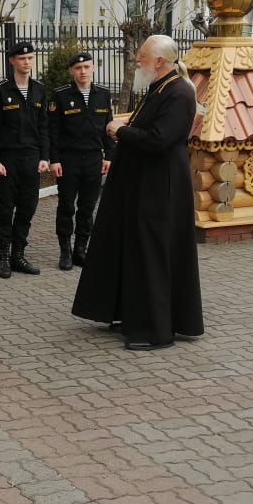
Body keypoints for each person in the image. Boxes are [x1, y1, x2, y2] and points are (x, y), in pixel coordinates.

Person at [71, 34, 204, 351]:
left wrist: (121, 130)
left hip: (160, 188)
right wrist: (126, 125)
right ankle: (126, 313)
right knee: (131, 250)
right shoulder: (160, 87)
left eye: (142, 55)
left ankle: (154, 330)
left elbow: (159, 139)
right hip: (141, 184)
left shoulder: (180, 92)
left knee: (150, 255)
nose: (137, 60)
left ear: (159, 61)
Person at [0, 40, 50, 278]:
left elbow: (43, 126)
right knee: (6, 209)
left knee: (27, 208)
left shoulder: (39, 89)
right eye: (22, 59)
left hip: (31, 159)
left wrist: (45, 156)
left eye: (30, 58)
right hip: (8, 160)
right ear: (12, 61)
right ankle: (4, 257)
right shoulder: (0, 91)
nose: (26, 62)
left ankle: (18, 255)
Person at [49, 51, 114, 271]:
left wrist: (109, 156)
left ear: (93, 68)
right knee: (66, 206)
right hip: (69, 160)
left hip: (94, 159)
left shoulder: (103, 95)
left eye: (86, 67)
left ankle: (81, 250)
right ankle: (65, 251)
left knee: (87, 207)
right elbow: (53, 132)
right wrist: (54, 160)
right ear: (71, 71)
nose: (83, 71)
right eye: (78, 68)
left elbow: (109, 129)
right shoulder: (61, 96)